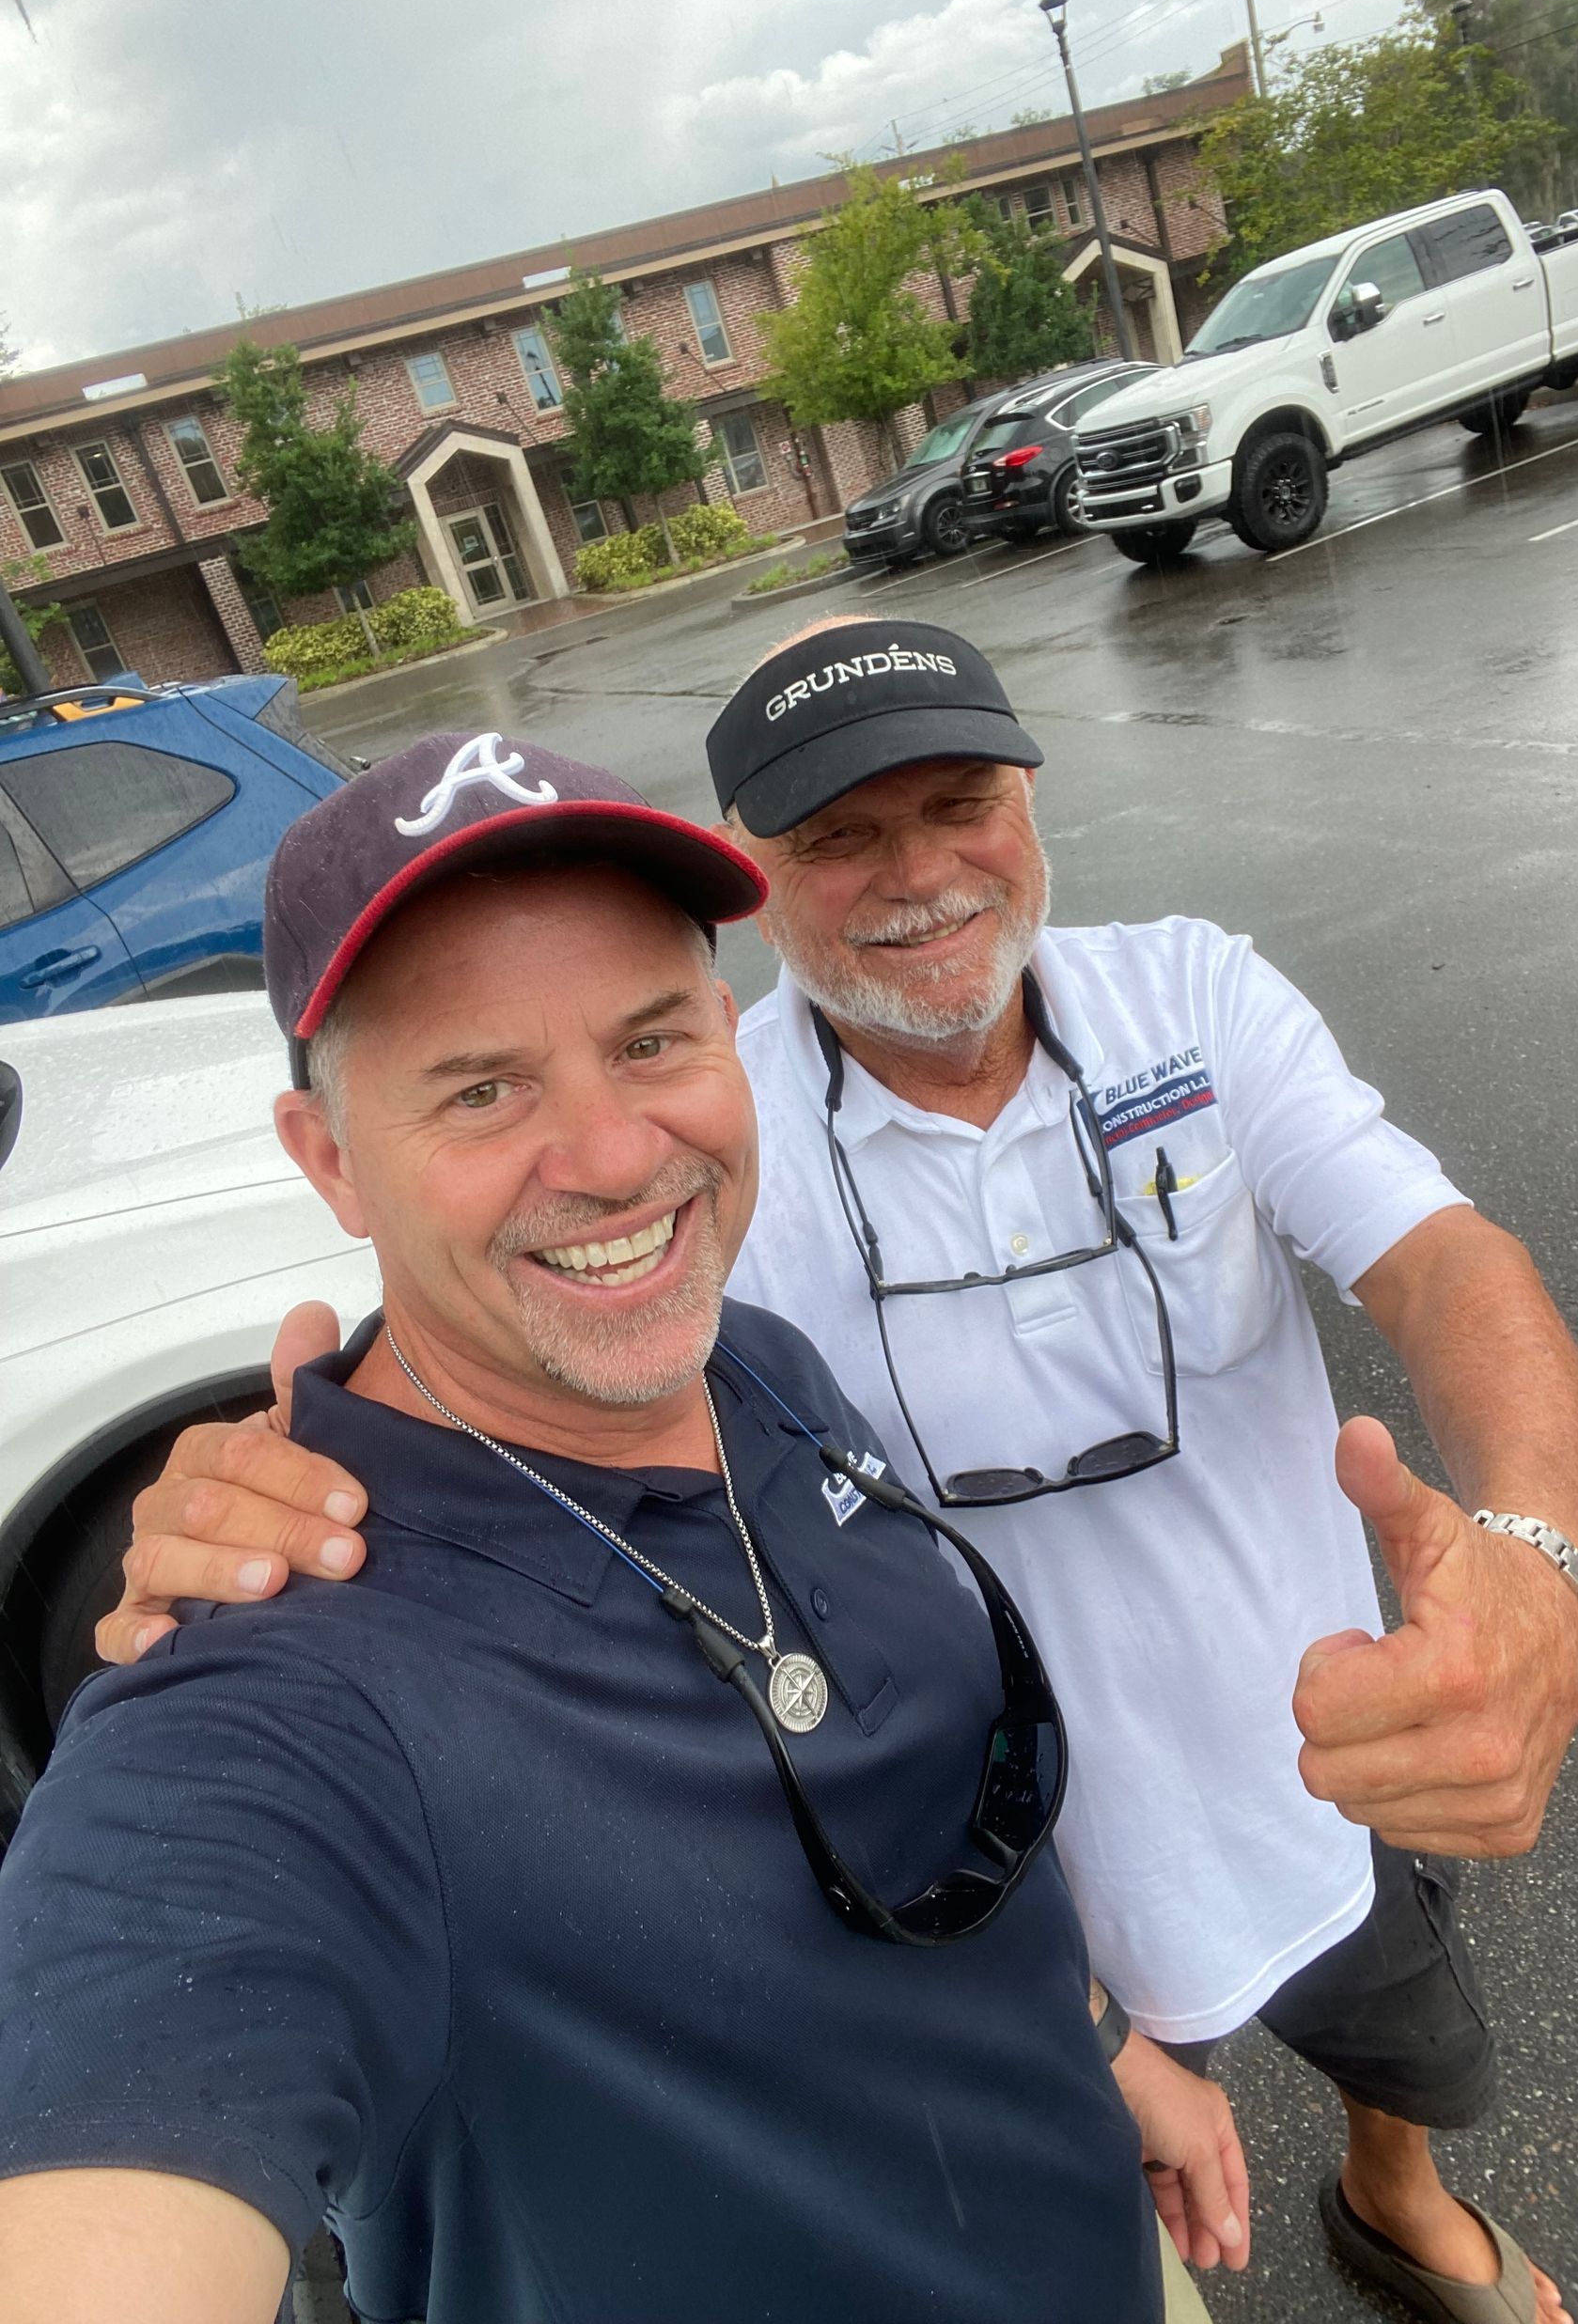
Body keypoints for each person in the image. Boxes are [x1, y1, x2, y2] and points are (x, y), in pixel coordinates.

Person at [117, 621, 1578, 2324]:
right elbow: (508, 1367)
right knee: (1096, 2137)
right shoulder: (717, 1140)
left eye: (960, 800)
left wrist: (1536, 1561)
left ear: (1032, 799)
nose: (918, 873)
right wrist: (306, 1495)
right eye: (841, 834)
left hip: (1319, 1748)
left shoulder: (1189, 1000)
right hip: (1000, 1868)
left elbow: (1447, 1267)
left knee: (1406, 2041)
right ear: (760, 878)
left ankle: (1390, 2191)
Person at [0, 734, 1246, 2324]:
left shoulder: (759, 1368)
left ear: (729, 1037)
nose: (611, 1157)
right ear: (330, 1164)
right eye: (482, 1087)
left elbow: (899, 1809)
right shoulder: (277, 1715)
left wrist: (1103, 2044)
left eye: (651, 1042)